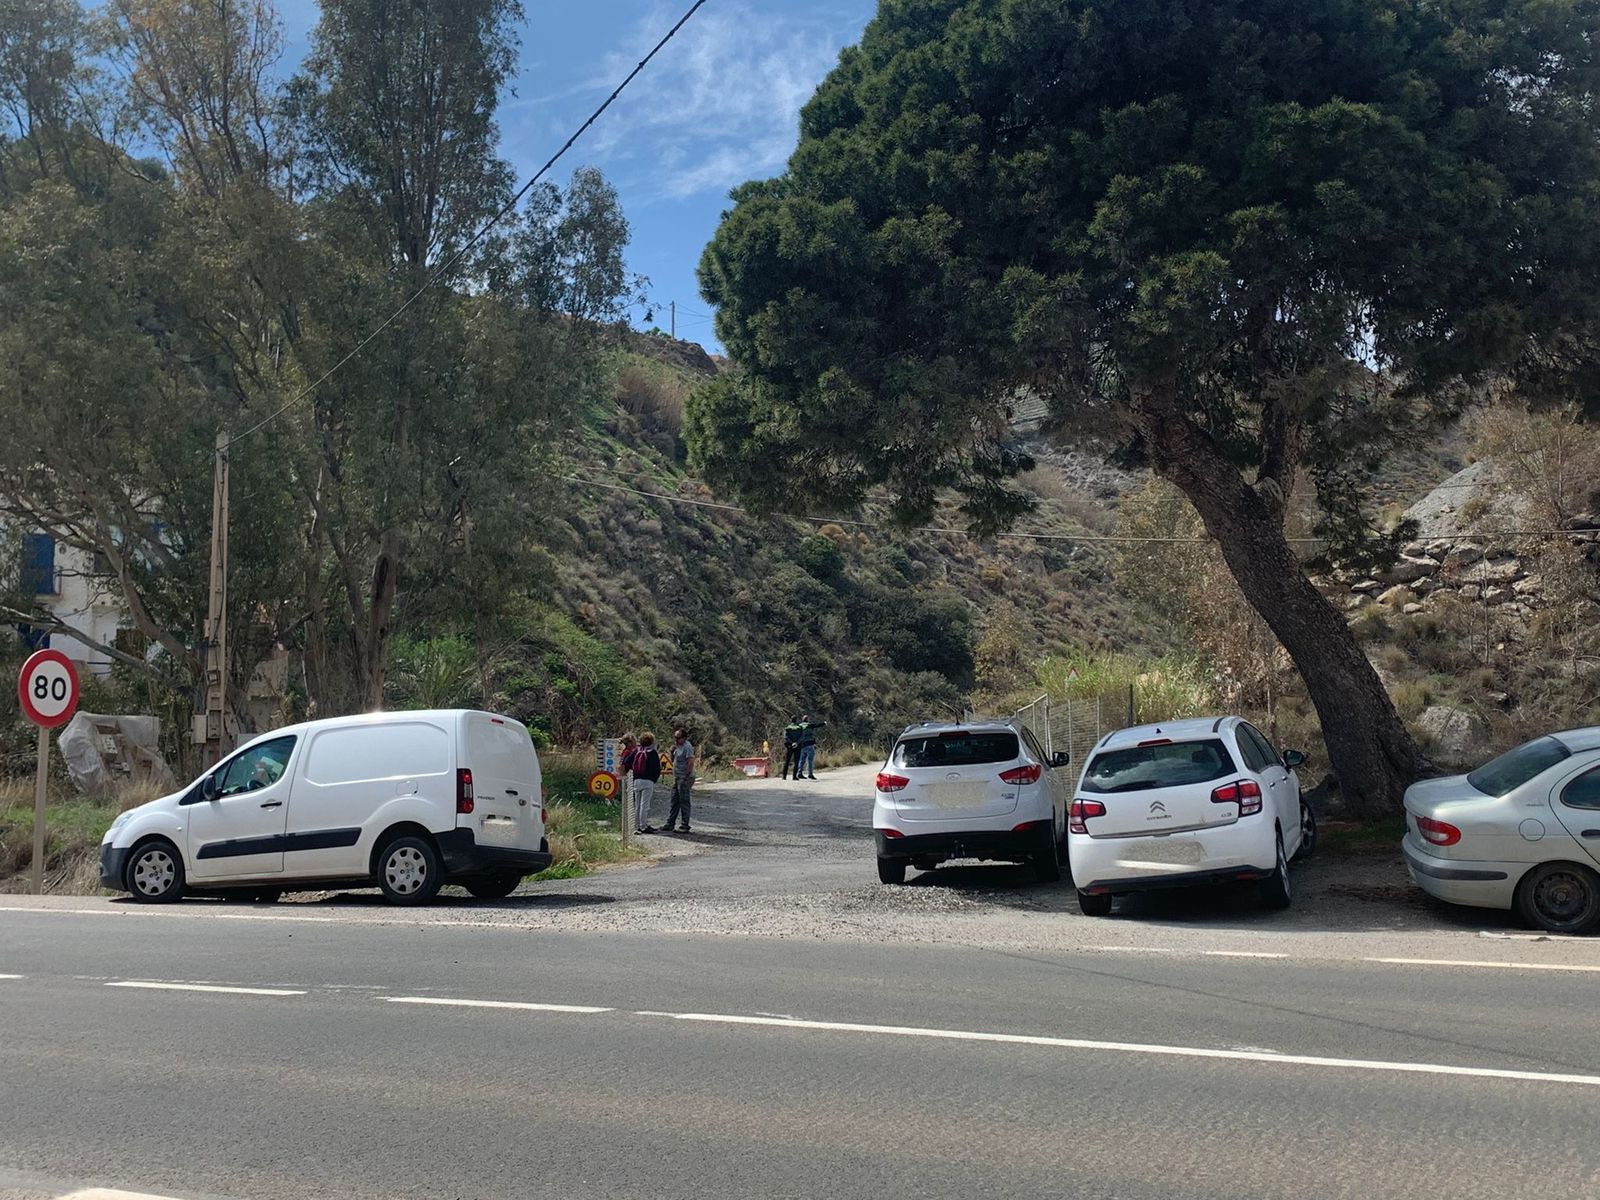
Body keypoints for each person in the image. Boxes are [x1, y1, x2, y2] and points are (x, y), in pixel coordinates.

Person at [663, 727, 696, 833]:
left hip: (684, 777)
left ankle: (685, 825)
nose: (676, 740)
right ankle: (670, 823)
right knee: (674, 800)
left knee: (684, 800)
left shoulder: (687, 747)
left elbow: (690, 762)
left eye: (678, 738)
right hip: (677, 776)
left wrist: (686, 776)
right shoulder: (677, 747)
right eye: (675, 737)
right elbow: (674, 760)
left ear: (684, 738)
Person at [630, 732, 662, 833]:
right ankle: (643, 826)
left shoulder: (637, 751)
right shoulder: (652, 753)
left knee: (637, 805)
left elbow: (628, 762)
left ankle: (636, 826)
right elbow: (657, 769)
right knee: (645, 805)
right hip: (648, 781)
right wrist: (654, 779)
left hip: (636, 780)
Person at [796, 714, 826, 781]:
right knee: (810, 760)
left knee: (801, 760)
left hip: (802, 745)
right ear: (807, 720)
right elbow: (817, 725)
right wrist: (824, 723)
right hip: (809, 745)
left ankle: (799, 773)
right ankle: (810, 774)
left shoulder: (799, 726)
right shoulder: (809, 725)